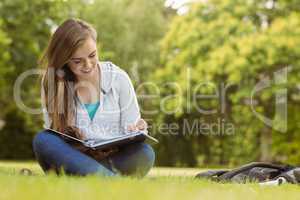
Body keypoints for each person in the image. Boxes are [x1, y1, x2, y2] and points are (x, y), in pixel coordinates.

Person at [32, 18, 155, 177]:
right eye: (77, 61)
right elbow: (54, 132)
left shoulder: (118, 78)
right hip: (72, 158)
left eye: (92, 55)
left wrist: (138, 129)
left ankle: (88, 176)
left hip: (112, 158)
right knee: (43, 140)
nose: (88, 65)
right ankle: (111, 180)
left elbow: (131, 130)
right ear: (64, 60)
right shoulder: (52, 82)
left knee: (145, 153)